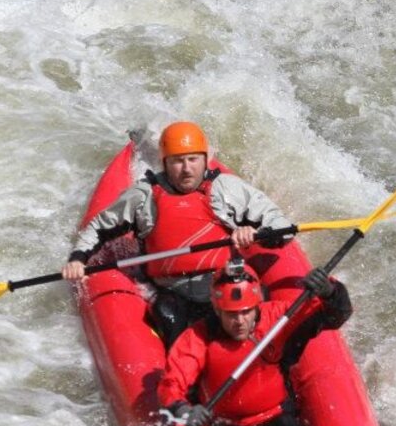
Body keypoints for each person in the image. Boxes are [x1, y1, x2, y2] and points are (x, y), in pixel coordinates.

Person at [62, 122, 295, 345]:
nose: (186, 169)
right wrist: (77, 259)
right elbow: (99, 228)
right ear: (165, 162)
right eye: (178, 161)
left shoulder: (227, 189)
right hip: (173, 292)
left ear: (205, 160)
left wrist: (255, 233)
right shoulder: (144, 196)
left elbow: (280, 226)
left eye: (193, 160)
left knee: (240, 318)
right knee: (167, 315)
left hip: (224, 284)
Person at [158, 262, 352, 426]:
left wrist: (330, 291)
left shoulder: (278, 318)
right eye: (231, 314)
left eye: (246, 312)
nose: (240, 321)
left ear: (257, 304)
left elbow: (336, 315)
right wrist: (185, 410)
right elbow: (172, 383)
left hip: (280, 416)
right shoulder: (198, 337)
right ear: (216, 309)